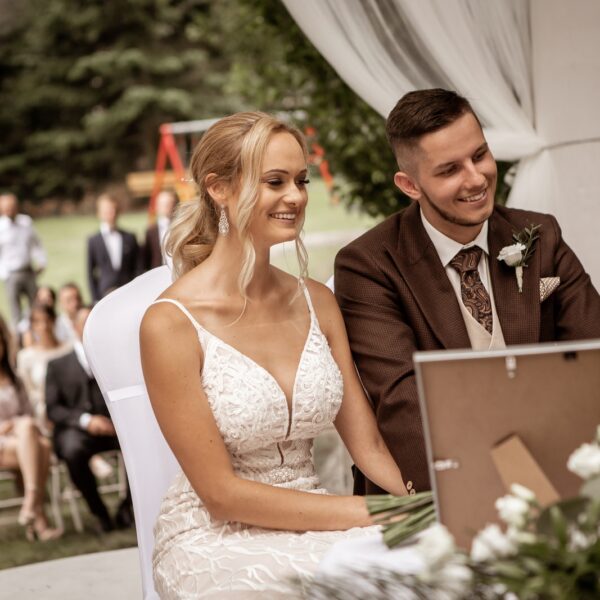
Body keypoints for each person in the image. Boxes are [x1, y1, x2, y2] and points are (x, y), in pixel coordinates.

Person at [140, 112, 408, 599]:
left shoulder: (317, 302)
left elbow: (368, 447)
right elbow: (221, 496)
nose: (296, 197)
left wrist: (423, 503)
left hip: (317, 519)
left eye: (301, 181)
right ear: (219, 189)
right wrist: (376, 512)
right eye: (275, 182)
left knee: (434, 568)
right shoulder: (170, 324)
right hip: (213, 539)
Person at [334, 88, 600, 496]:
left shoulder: (539, 235)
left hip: (563, 468)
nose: (476, 179)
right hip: (440, 488)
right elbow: (406, 408)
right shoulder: (369, 266)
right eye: (449, 170)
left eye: (480, 155)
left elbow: (592, 358)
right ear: (410, 185)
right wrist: (509, 490)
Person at [45, 306, 133, 532]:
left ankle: (128, 507)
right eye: (85, 321)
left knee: (139, 441)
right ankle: (100, 513)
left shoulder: (116, 359)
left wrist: (118, 420)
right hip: (77, 431)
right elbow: (53, 409)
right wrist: (85, 421)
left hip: (116, 427)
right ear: (75, 327)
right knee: (72, 450)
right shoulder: (57, 365)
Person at [0, 315, 61, 541]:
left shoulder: (15, 378)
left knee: (35, 437)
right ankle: (35, 510)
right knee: (41, 445)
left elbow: (29, 414)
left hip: (21, 441)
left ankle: (32, 508)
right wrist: (9, 426)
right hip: (4, 442)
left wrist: (19, 425)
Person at [16, 303, 71, 427]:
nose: (44, 326)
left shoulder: (69, 349)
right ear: (32, 326)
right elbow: (27, 393)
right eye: (38, 322)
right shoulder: (26, 357)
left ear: (54, 320)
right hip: (44, 415)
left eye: (47, 320)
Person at [0, 193, 47, 329]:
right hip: (11, 274)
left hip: (28, 270)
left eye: (12, 207)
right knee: (16, 311)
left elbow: (35, 243)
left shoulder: (26, 222)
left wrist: (41, 261)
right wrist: (5, 274)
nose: (10, 211)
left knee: (36, 306)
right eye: (6, 208)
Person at [87, 193, 139, 303]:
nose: (112, 213)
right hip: (104, 296)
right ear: (99, 213)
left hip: (129, 293)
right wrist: (95, 299)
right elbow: (90, 273)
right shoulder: (93, 241)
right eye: (107, 210)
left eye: (114, 209)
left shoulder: (130, 238)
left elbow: (138, 268)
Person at [141, 189, 178, 271]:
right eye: (163, 204)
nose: (167, 207)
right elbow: (146, 257)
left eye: (170, 204)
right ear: (157, 207)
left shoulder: (181, 227)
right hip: (158, 271)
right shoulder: (151, 231)